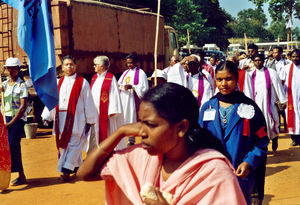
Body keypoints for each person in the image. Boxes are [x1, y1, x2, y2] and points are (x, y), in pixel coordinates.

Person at [77, 83, 247, 205]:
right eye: (141, 123)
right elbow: (85, 173)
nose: (142, 132)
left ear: (181, 127)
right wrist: (119, 132)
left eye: (151, 125)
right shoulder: (140, 157)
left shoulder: (214, 174)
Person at [199, 61, 269, 204]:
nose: (224, 84)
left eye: (228, 79)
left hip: (240, 173)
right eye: (219, 80)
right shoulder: (207, 107)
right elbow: (199, 140)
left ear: (237, 79)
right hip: (213, 173)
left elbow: (261, 141)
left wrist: (248, 162)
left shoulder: (249, 107)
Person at [42, 55, 97, 181]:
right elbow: (52, 100)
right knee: (66, 144)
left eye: (71, 64)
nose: (69, 67)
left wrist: (90, 120)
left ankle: (66, 169)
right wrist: (46, 116)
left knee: (74, 143)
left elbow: (88, 101)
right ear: (62, 67)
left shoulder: (82, 82)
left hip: (77, 119)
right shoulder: (58, 82)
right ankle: (76, 165)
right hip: (61, 118)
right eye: (66, 64)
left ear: (75, 66)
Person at [89, 56, 125, 151]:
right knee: (95, 134)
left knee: (107, 132)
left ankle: (108, 151)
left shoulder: (110, 78)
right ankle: (97, 151)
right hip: (94, 111)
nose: (94, 67)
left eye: (96, 65)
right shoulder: (94, 78)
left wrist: (113, 110)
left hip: (106, 113)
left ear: (102, 66)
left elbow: (114, 94)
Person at [1, 57, 28, 185]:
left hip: (17, 121)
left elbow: (23, 107)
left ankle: (16, 173)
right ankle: (21, 174)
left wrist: (11, 123)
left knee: (12, 145)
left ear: (18, 69)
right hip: (5, 118)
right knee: (6, 147)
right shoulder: (4, 85)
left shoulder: (22, 85)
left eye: (13, 68)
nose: (11, 71)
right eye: (8, 68)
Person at [118, 52, 149, 145]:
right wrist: (122, 86)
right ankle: (123, 138)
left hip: (133, 99)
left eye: (131, 63)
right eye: (128, 63)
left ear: (136, 62)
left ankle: (132, 139)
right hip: (124, 98)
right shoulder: (125, 72)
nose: (129, 65)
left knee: (132, 117)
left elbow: (144, 88)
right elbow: (119, 83)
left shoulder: (141, 73)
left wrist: (133, 87)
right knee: (124, 117)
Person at [279, 49, 300, 146]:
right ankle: (294, 139)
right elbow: (282, 82)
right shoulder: (286, 68)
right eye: (294, 56)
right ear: (290, 57)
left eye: (298, 56)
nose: (296, 58)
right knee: (292, 117)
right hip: (290, 97)